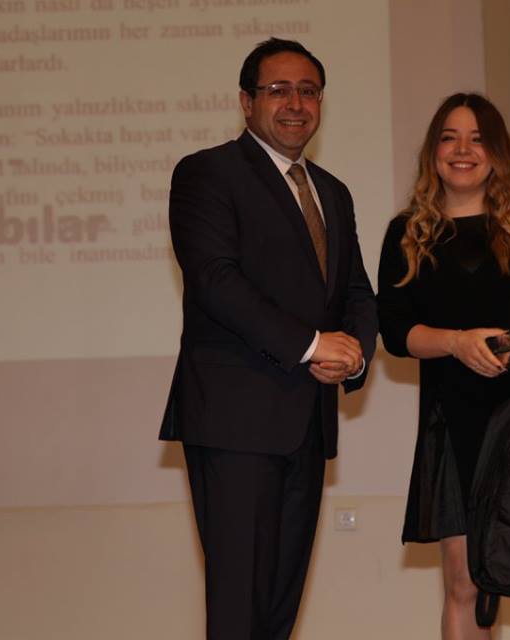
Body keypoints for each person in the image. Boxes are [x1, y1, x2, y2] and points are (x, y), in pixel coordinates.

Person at [159, 38, 378, 639]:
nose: (295, 104)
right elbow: (215, 280)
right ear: (246, 101)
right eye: (278, 90)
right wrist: (312, 345)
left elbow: (357, 293)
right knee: (239, 608)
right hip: (235, 422)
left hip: (308, 424)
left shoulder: (332, 191)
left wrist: (354, 354)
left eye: (309, 91)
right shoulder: (207, 172)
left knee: (279, 611)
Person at [377, 93, 510, 640]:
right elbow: (396, 333)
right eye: (449, 137)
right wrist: (455, 343)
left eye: (477, 139)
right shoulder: (407, 233)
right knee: (465, 584)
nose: (463, 150)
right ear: (433, 152)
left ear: (498, 152)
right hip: (456, 426)